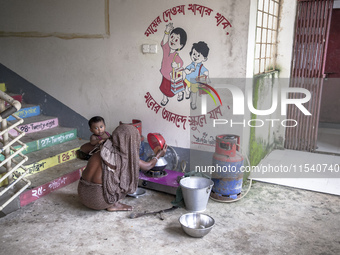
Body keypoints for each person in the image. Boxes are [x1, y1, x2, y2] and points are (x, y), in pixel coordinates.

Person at [77, 124, 167, 211]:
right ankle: (114, 205)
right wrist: (159, 154)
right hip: (99, 201)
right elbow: (148, 166)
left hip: (82, 194)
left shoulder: (103, 146)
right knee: (126, 176)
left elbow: (83, 147)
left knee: (113, 174)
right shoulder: (126, 158)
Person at [159, 23, 188, 106]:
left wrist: (176, 65)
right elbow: (164, 41)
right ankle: (165, 98)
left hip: (172, 77)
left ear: (180, 45)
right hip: (164, 74)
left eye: (176, 40)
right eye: (172, 37)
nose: (172, 40)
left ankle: (180, 93)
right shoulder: (166, 49)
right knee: (163, 88)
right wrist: (167, 31)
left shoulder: (176, 56)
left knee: (176, 87)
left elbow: (181, 63)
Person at [184, 41, 210, 110]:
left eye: (198, 55)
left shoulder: (201, 67)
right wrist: (189, 71)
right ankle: (187, 92)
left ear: (204, 59)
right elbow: (185, 71)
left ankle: (193, 103)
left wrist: (206, 74)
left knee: (194, 93)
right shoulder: (191, 65)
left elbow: (206, 71)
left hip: (195, 81)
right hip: (187, 80)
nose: (195, 56)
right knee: (185, 88)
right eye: (194, 54)